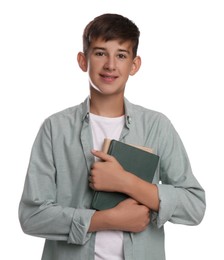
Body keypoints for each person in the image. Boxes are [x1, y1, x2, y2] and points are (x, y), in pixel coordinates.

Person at [19, 13, 206, 260]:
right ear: (82, 60)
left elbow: (194, 206)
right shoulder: (55, 129)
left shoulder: (157, 126)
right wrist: (103, 220)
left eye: (121, 55)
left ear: (134, 65)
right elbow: (32, 216)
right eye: (99, 53)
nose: (110, 65)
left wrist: (126, 182)